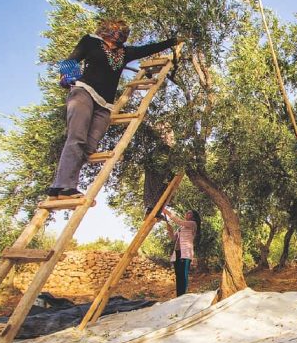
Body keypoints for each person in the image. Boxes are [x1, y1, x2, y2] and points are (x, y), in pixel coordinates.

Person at [47, 19, 179, 199]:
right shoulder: (91, 41)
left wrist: (173, 41)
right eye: (117, 32)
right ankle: (63, 186)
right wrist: (67, 77)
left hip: (105, 105)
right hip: (83, 93)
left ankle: (61, 187)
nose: (119, 36)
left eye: (123, 33)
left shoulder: (124, 53)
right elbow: (70, 60)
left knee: (90, 146)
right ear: (107, 30)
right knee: (77, 137)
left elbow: (147, 49)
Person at [163, 208, 199, 296]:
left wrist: (166, 211)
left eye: (189, 213)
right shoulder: (181, 227)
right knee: (178, 275)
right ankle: (179, 296)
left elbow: (179, 221)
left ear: (193, 216)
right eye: (187, 212)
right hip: (177, 252)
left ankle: (183, 295)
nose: (187, 214)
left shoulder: (193, 224)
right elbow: (173, 238)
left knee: (183, 275)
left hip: (186, 253)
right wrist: (170, 230)